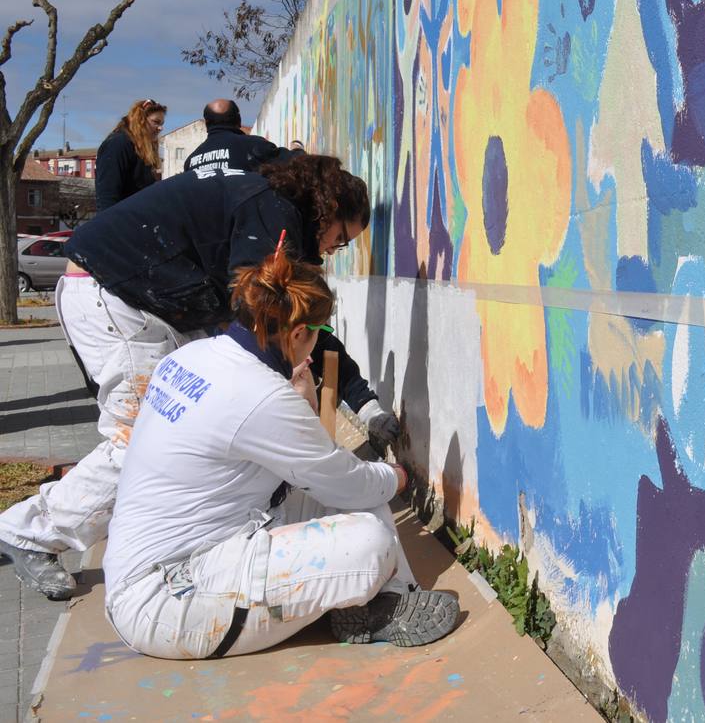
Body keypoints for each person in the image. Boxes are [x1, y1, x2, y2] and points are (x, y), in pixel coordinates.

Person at [0, 154, 385, 600]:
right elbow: (284, 324)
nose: (325, 253)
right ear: (326, 207)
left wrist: (359, 398)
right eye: (338, 239)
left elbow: (298, 330)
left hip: (125, 296)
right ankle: (28, 531)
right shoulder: (274, 216)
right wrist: (353, 403)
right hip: (117, 302)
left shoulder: (261, 202)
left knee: (171, 427)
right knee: (145, 436)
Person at [102, 248, 460, 657]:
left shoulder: (193, 356)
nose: (317, 346)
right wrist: (398, 476)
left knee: (355, 500)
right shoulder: (261, 395)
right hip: (173, 601)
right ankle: (380, 602)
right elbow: (347, 482)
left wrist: (302, 408)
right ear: (294, 335)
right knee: (370, 538)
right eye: (318, 333)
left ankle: (386, 603)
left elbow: (306, 468)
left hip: (170, 561)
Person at [183, 101, 401, 453]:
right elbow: (307, 334)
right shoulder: (270, 205)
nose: (333, 249)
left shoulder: (194, 160)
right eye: (341, 239)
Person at [95, 98, 164, 210]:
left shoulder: (141, 148)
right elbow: (107, 194)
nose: (160, 128)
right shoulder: (117, 144)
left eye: (161, 123)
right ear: (140, 120)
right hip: (120, 221)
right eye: (156, 122)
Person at [184, 99, 285, 175]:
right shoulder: (254, 146)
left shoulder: (190, 162)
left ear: (206, 123)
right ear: (239, 119)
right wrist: (297, 147)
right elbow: (293, 164)